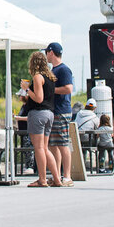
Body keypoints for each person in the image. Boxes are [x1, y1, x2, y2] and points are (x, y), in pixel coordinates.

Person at [21, 51, 62, 188]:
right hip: (49, 113)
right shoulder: (50, 77)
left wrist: (27, 89)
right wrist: (27, 98)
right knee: (45, 148)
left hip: (38, 114)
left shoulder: (38, 77)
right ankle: (57, 179)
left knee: (38, 148)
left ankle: (42, 179)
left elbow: (39, 98)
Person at [44, 42, 75, 186]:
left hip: (62, 110)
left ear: (51, 52)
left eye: (46, 52)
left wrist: (51, 90)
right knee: (53, 145)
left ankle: (67, 176)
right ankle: (57, 175)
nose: (46, 55)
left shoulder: (63, 70)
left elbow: (68, 89)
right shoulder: (53, 70)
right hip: (53, 110)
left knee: (63, 143)